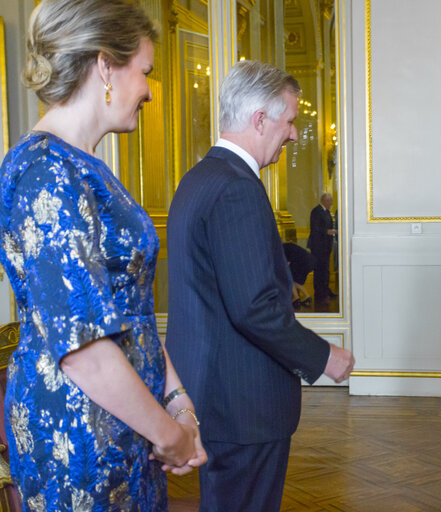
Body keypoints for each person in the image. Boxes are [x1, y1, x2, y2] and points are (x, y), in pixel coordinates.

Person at [0, 0, 206, 509]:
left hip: (124, 421)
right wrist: (168, 433)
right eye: (145, 71)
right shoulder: (44, 170)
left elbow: (131, 311)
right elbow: (83, 348)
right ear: (104, 65)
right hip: (79, 435)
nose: (150, 91)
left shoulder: (84, 166)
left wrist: (178, 404)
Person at [165, 60, 355, 512]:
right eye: (289, 121)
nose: (292, 135)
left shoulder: (197, 180)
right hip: (243, 401)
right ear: (260, 119)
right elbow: (254, 308)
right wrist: (323, 355)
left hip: (212, 391)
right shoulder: (236, 187)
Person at [308, 192, 337, 302]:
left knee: (325, 269)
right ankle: (320, 293)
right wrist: (327, 231)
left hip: (326, 246)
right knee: (319, 269)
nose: (331, 203)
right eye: (330, 201)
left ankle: (325, 290)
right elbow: (315, 228)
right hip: (318, 246)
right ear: (325, 201)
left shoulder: (327, 212)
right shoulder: (316, 211)